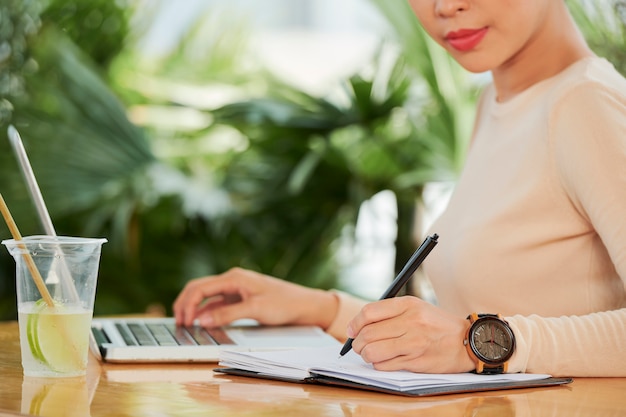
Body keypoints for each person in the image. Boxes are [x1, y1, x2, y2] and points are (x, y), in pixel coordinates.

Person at [174, 0, 626, 377]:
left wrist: (479, 346)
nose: (445, 7)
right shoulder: (498, 101)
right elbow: (472, 317)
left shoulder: (585, 104)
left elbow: (474, 339)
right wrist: (323, 308)